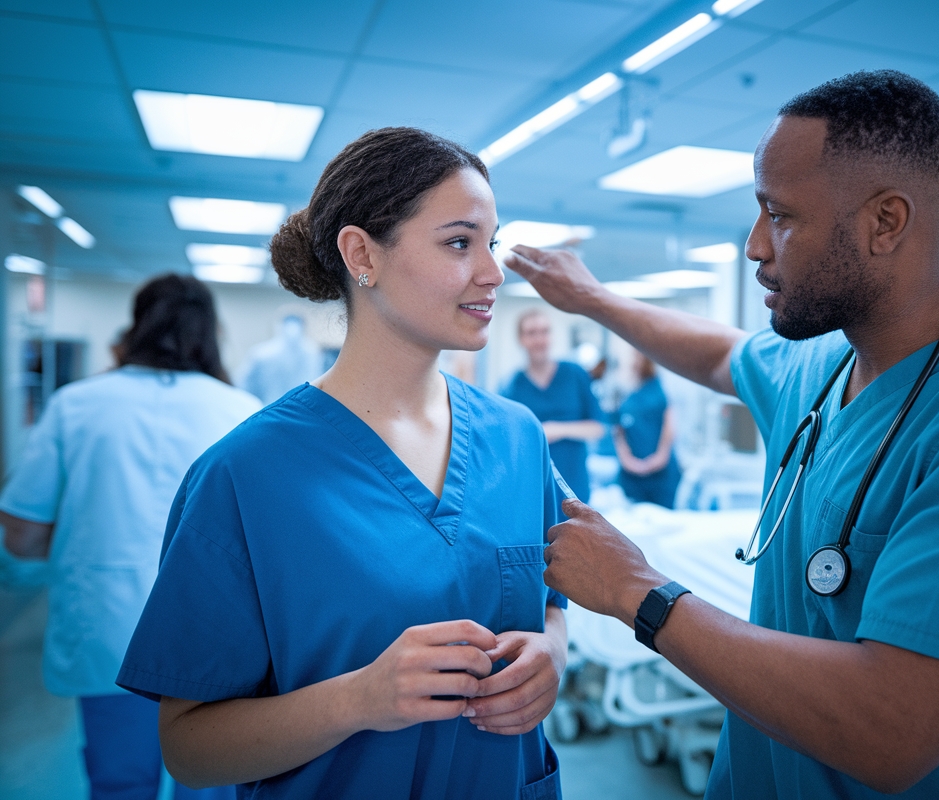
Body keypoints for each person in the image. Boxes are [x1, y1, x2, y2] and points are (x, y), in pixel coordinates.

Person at [507, 70, 939, 798]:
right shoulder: (827, 359)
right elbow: (716, 352)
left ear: (886, 223)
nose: (752, 246)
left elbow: (891, 730)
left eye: (780, 215)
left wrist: (639, 592)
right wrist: (592, 299)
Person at [116, 128, 569, 798]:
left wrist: (552, 656)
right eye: (459, 242)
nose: (493, 272)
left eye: (492, 243)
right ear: (362, 255)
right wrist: (359, 699)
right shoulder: (246, 476)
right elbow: (188, 748)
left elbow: (552, 605)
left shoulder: (517, 438)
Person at [0, 273, 261, 800]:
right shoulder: (243, 412)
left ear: (135, 325)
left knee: (120, 784)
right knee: (207, 783)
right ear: (211, 333)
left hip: (106, 629)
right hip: (212, 637)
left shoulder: (75, 405)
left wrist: (85, 545)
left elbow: (22, 534)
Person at [502, 309, 605, 500]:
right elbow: (508, 439)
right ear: (521, 339)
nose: (539, 339)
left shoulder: (575, 374)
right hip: (533, 486)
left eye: (545, 331)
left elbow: (598, 428)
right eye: (532, 333)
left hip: (574, 485)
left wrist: (556, 429)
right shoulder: (512, 386)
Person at [614, 352, 681, 508]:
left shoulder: (661, 390)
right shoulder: (627, 393)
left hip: (661, 474)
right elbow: (618, 430)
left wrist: (658, 459)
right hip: (631, 475)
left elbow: (670, 429)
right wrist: (628, 461)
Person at [235, 312, 325, 404]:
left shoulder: (261, 353)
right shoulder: (314, 352)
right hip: (301, 409)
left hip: (267, 410)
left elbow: (243, 386)